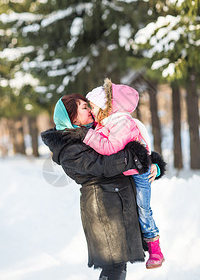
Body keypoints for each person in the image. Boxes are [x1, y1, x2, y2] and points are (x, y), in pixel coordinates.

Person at [41, 93, 166, 280]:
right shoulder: (69, 148)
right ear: (71, 117)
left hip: (118, 203)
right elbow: (104, 165)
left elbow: (125, 145)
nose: (90, 110)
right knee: (113, 267)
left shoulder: (97, 132)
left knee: (119, 266)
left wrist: (151, 164)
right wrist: (137, 158)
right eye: (84, 107)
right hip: (103, 209)